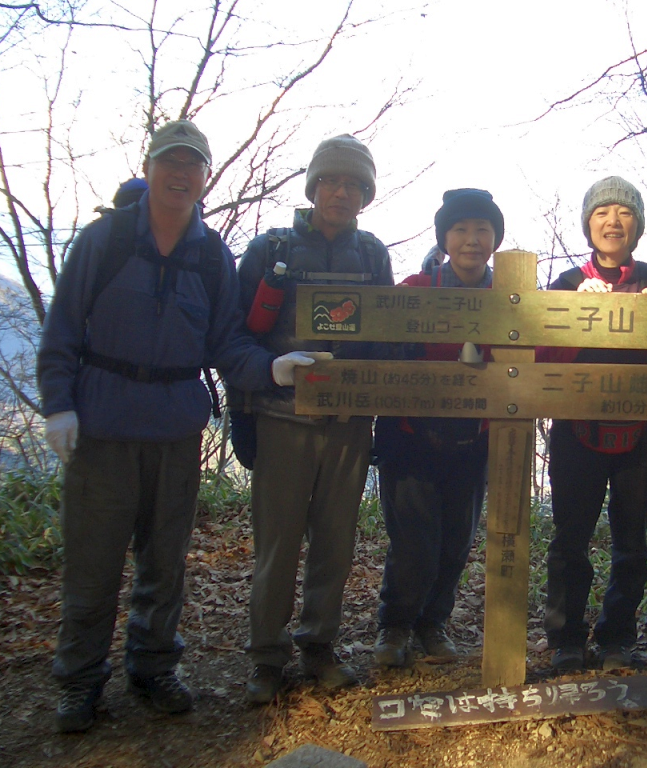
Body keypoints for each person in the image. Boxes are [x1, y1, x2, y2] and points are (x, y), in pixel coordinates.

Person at [37, 119, 326, 733]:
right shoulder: (104, 241)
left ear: (203, 178)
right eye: (171, 161)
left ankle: (152, 667)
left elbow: (227, 341)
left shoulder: (209, 254)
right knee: (93, 564)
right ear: (149, 169)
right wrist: (57, 403)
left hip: (174, 430)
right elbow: (62, 328)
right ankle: (80, 681)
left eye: (193, 165)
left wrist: (272, 367)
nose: (181, 173)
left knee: (164, 563)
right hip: (104, 426)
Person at [231, 134, 394, 704]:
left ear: (366, 194)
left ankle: (319, 647)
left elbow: (385, 338)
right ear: (313, 185)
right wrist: (270, 368)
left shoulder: (372, 255)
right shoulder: (270, 249)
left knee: (335, 544)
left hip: (349, 425)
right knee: (276, 546)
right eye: (332, 180)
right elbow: (231, 338)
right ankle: (265, 659)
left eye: (354, 184)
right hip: (282, 421)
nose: (342, 192)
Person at [541, 177, 647, 672]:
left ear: (637, 226)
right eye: (602, 213)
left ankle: (617, 638)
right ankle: (565, 640)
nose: (613, 222)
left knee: (633, 541)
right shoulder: (564, 284)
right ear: (588, 224)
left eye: (624, 214)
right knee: (570, 538)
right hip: (575, 432)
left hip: (642, 435)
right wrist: (580, 312)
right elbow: (544, 360)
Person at [371, 189, 503, 667]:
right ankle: (395, 626)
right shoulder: (415, 288)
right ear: (445, 238)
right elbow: (385, 355)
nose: (472, 240)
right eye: (461, 229)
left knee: (455, 541)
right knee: (413, 541)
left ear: (495, 239)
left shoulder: (505, 299)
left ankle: (433, 623)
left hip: (473, 440)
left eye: (482, 230)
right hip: (411, 438)